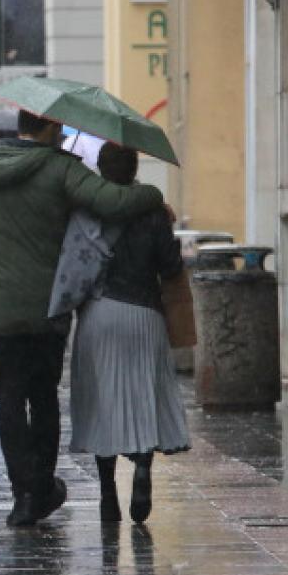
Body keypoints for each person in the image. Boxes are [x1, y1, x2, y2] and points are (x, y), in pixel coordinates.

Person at [0, 109, 165, 527]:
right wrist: (155, 197)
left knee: (9, 397)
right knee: (43, 396)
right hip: (45, 303)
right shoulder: (61, 168)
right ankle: (41, 487)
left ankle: (22, 497)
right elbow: (115, 200)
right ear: (52, 128)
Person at [68, 143, 190, 523]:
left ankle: (107, 492)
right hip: (145, 315)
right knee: (143, 398)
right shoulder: (153, 211)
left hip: (98, 315)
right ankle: (142, 470)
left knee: (102, 402)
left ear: (100, 170)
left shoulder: (86, 210)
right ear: (135, 168)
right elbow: (170, 268)